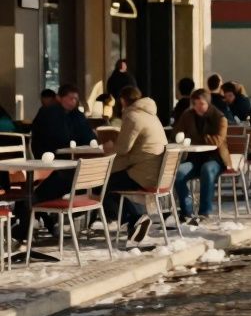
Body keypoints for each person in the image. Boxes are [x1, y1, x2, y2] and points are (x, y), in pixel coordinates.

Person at [23, 84, 96, 241]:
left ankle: (32, 225)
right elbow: (57, 138)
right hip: (48, 163)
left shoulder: (76, 115)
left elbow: (88, 137)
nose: (74, 102)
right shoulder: (50, 113)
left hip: (67, 168)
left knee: (34, 198)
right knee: (35, 196)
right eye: (70, 98)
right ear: (59, 98)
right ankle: (42, 222)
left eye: (76, 99)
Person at [105, 86, 164, 244]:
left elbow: (123, 149)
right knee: (110, 182)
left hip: (144, 174)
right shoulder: (151, 115)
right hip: (158, 173)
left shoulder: (133, 116)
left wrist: (110, 147)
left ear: (123, 100)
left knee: (102, 185)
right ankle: (134, 222)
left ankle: (135, 219)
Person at [172, 88, 231, 226]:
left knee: (207, 169)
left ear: (208, 103)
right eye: (195, 103)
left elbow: (217, 141)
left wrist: (195, 138)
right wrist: (182, 137)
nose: (198, 106)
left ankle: (205, 211)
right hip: (194, 158)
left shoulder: (219, 118)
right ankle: (186, 212)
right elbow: (177, 132)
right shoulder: (188, 115)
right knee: (178, 173)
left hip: (215, 158)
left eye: (201, 103)